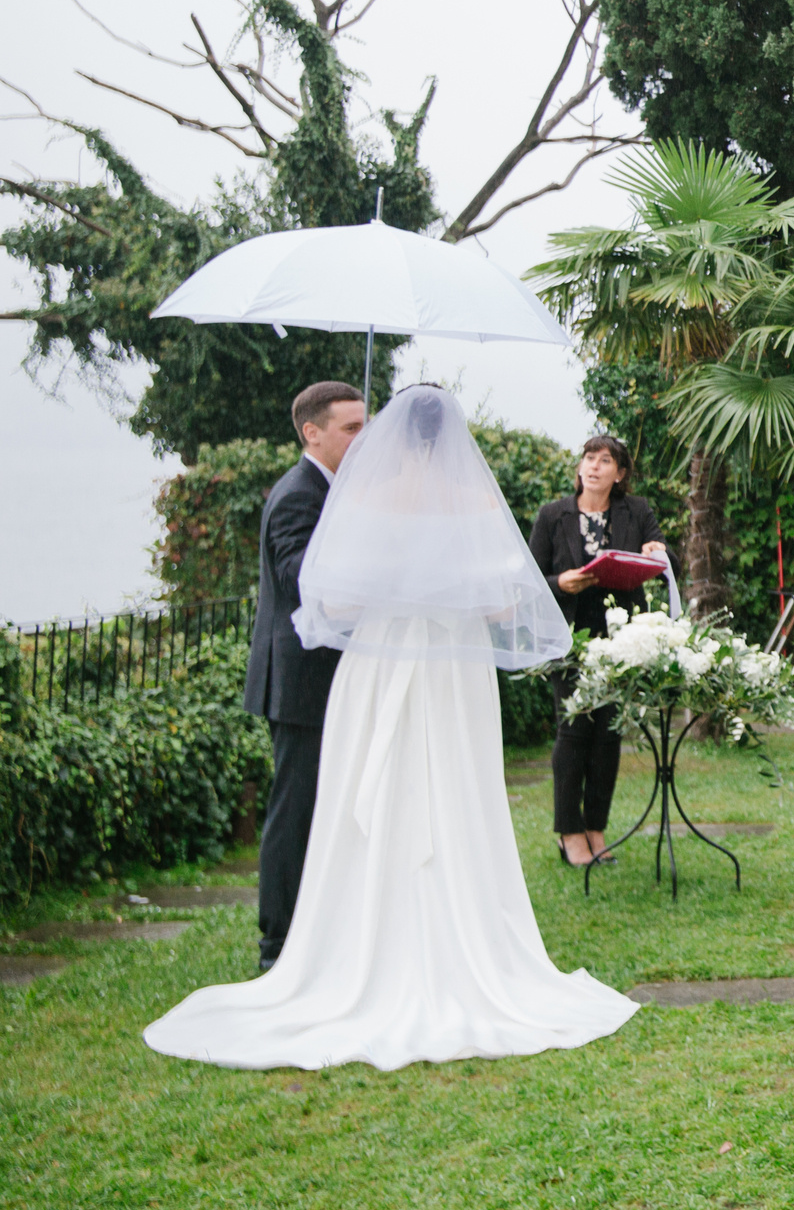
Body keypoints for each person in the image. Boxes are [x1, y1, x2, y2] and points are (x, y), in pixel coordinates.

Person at [145, 384, 639, 1072]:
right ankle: (433, 941)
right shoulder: (470, 502)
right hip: (449, 676)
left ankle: (345, 946)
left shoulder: (366, 500)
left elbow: (333, 599)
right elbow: (503, 603)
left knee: (369, 799)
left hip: (377, 668)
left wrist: (395, 585)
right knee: (447, 793)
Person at [244, 379, 366, 972]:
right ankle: (277, 946)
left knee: (327, 808)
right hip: (299, 683)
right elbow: (300, 580)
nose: (363, 437)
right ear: (312, 432)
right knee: (293, 812)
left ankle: (320, 932)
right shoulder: (299, 494)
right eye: (352, 428)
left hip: (332, 680)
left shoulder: (341, 492)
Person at [528, 436, 668, 867]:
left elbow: (664, 560)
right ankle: (569, 834)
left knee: (609, 735)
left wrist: (659, 552)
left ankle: (596, 830)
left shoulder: (637, 512)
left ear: (620, 473)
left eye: (605, 461)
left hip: (622, 639)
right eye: (589, 458)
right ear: (580, 467)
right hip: (569, 638)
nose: (594, 466)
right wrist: (560, 583)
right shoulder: (553, 516)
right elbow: (530, 580)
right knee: (573, 733)